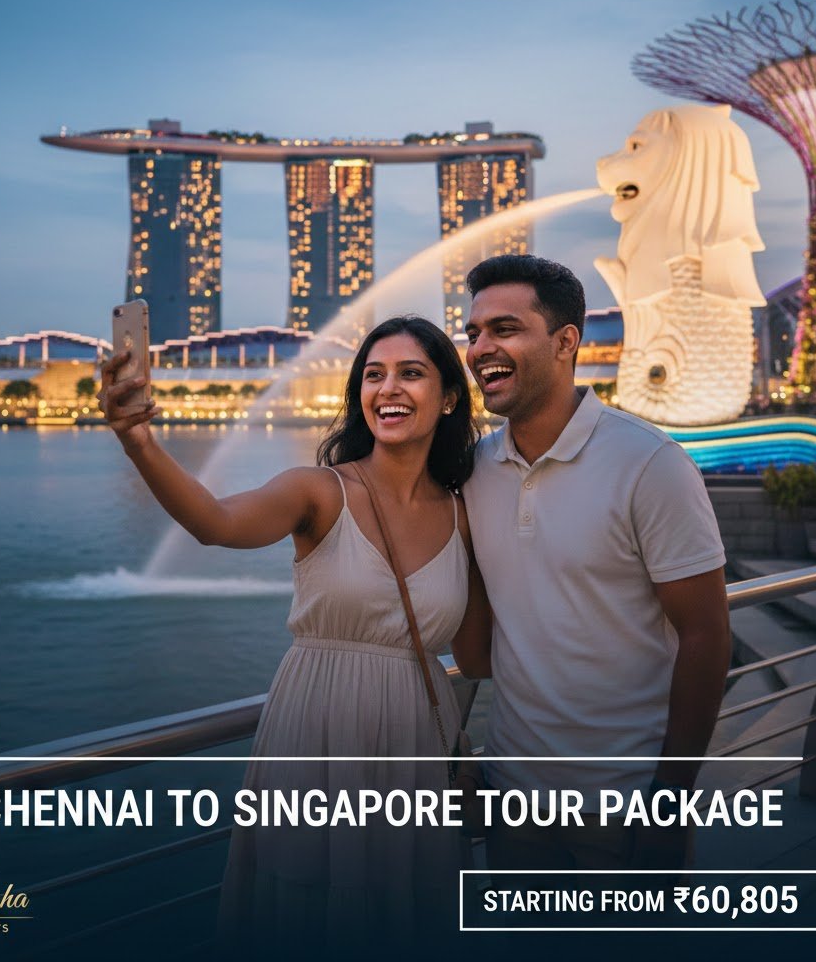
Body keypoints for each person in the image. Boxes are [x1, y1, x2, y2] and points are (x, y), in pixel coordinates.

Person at [98, 315, 490, 954]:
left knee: (403, 905)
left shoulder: (466, 515)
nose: (388, 388)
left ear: (448, 396)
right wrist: (137, 438)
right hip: (317, 728)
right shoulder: (319, 491)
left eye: (411, 373)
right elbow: (215, 523)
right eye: (373, 374)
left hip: (417, 740)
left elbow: (475, 653)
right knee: (304, 905)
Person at [460, 254, 731, 882]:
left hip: (626, 798)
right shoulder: (473, 471)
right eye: (473, 332)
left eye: (504, 329)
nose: (479, 348)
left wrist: (671, 800)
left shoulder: (649, 463)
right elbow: (475, 649)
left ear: (565, 342)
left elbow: (706, 634)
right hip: (512, 794)